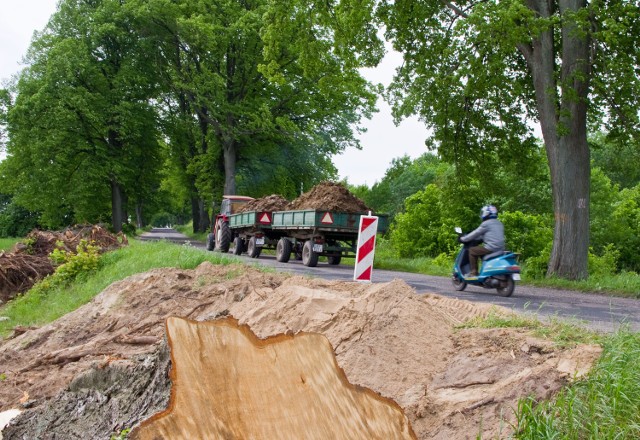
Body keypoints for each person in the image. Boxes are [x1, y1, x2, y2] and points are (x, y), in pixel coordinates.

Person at [459, 205, 505, 277]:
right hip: (501, 248)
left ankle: (473, 273)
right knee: (480, 251)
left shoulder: (486, 224)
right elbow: (491, 235)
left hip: (491, 248)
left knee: (472, 250)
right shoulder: (499, 223)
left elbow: (475, 233)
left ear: (486, 213)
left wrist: (463, 239)